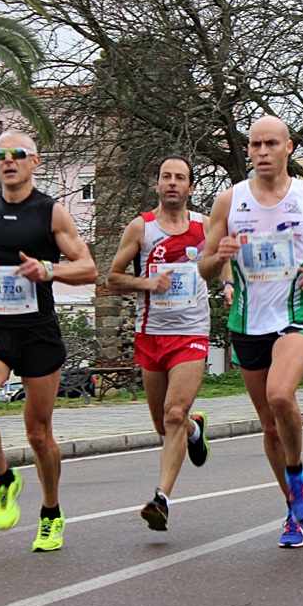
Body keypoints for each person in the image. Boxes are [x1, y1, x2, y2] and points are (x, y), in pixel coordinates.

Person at [200, 115, 303, 548]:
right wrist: (221, 256)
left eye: (271, 144)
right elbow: (205, 265)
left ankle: (295, 475)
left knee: (280, 394)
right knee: (269, 426)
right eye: (255, 145)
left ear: (288, 148)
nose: (263, 152)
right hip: (249, 320)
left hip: (300, 312)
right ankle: (294, 503)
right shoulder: (229, 202)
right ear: (248, 151)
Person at [0, 132, 98, 553]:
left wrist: (48, 270)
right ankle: (5, 476)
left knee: (39, 434)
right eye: (0, 155)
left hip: (37, 333)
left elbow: (88, 268)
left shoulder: (52, 212)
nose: (8, 161)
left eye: (18, 155)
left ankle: (50, 512)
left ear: (35, 162)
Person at [107, 155, 216, 532]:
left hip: (191, 332)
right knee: (163, 424)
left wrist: (231, 284)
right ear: (157, 185)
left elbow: (224, 260)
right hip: (151, 333)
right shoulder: (141, 228)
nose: (172, 183)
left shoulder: (204, 226)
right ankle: (194, 430)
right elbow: (113, 278)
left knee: (173, 414)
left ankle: (161, 499)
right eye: (166, 177)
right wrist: (147, 283)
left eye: (180, 177)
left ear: (190, 187)